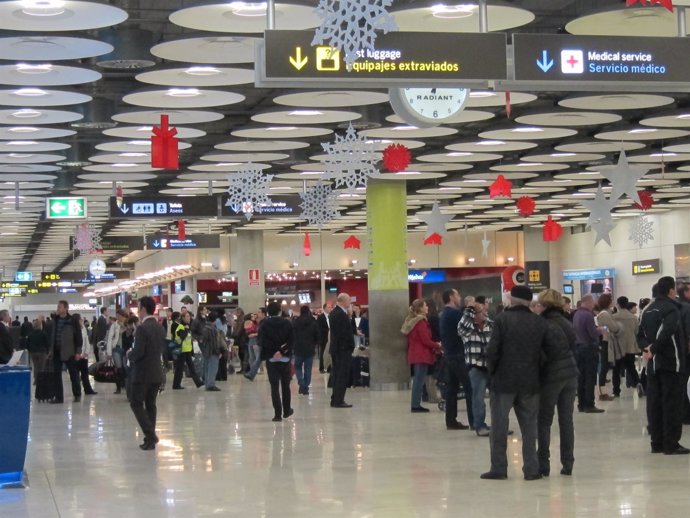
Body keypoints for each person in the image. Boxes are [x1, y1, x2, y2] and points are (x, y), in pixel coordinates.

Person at [481, 286, 554, 481]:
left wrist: (492, 372)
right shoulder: (539, 322)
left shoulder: (502, 320)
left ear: (512, 299)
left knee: (499, 426)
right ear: (529, 301)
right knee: (530, 428)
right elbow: (546, 353)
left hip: (503, 381)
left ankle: (499, 468)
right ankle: (531, 469)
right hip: (530, 382)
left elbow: (492, 350)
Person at [639, 276, 688, 455]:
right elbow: (667, 331)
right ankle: (671, 443)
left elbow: (640, 334)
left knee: (654, 402)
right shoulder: (672, 309)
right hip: (671, 362)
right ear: (670, 291)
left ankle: (656, 442)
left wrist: (646, 349)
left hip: (652, 364)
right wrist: (654, 348)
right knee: (672, 403)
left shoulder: (647, 310)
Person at [536, 289, 578, 477]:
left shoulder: (542, 324)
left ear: (544, 305)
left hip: (551, 375)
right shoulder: (567, 322)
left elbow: (541, 353)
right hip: (570, 372)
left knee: (544, 420)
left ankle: (543, 463)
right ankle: (568, 462)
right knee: (566, 420)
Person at [127, 296, 164, 451]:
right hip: (156, 372)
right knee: (150, 405)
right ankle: (149, 439)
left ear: (143, 309)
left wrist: (129, 353)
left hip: (142, 373)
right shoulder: (159, 327)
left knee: (136, 403)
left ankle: (150, 435)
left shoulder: (142, 328)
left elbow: (139, 352)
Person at [458, 296, 493, 435]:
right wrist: (470, 309)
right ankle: (479, 426)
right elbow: (462, 327)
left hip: (492, 367)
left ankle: (499, 426)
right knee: (478, 399)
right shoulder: (467, 328)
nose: (484, 313)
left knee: (498, 399)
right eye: (480, 312)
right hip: (476, 368)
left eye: (484, 311)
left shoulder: (492, 325)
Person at [439, 289, 473, 430]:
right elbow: (467, 326)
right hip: (459, 355)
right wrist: (471, 309)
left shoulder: (444, 314)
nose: (460, 297)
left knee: (452, 388)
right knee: (470, 388)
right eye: (458, 295)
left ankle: (451, 420)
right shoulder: (454, 314)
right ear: (452, 297)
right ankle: (475, 421)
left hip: (450, 355)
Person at [402, 299, 443, 413]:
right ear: (420, 308)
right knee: (419, 381)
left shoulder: (413, 321)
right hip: (421, 354)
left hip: (416, 353)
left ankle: (416, 404)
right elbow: (425, 340)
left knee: (418, 381)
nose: (427, 308)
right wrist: (437, 345)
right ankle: (415, 405)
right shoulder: (420, 322)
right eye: (425, 306)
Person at [260, 301, 295, 421]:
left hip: (271, 358)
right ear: (280, 310)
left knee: (274, 387)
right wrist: (281, 351)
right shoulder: (287, 323)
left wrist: (274, 351)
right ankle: (287, 410)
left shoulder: (264, 324)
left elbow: (263, 341)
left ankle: (277, 414)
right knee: (286, 385)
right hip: (285, 358)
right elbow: (291, 340)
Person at [572, 295, 605, 413]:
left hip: (579, 348)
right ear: (588, 302)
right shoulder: (588, 315)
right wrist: (600, 330)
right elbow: (592, 333)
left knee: (581, 377)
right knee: (590, 377)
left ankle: (581, 404)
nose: (593, 305)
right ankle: (589, 404)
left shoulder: (576, 314)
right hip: (589, 348)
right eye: (592, 303)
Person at [47, 301, 83, 404]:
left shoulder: (72, 321)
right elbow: (52, 336)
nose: (58, 309)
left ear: (66, 308)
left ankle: (77, 395)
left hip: (69, 352)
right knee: (56, 375)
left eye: (60, 307)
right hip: (57, 352)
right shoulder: (55, 320)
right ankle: (59, 397)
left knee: (73, 374)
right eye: (57, 307)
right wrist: (51, 350)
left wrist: (78, 352)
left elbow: (78, 337)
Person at [610, 296, 641, 397]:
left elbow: (612, 331)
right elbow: (636, 331)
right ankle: (638, 383)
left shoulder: (613, 317)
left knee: (616, 370)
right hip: (630, 346)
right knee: (631, 367)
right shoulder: (634, 317)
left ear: (618, 305)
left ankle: (616, 390)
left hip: (618, 347)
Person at [329, 293, 355, 408]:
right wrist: (349, 345)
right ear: (343, 301)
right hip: (342, 349)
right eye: (349, 300)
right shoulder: (340, 314)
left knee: (337, 374)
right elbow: (343, 333)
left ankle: (336, 398)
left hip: (337, 348)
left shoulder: (335, 313)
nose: (350, 303)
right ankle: (338, 400)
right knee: (341, 375)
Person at [594, 294, 621, 402]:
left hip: (607, 342)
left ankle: (603, 391)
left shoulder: (606, 313)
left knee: (605, 367)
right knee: (604, 367)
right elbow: (614, 327)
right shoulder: (605, 314)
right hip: (606, 342)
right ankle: (602, 392)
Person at [172, 311, 203, 390]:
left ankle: (198, 383)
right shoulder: (181, 327)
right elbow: (182, 337)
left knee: (191, 367)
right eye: (187, 316)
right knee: (180, 368)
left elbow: (189, 340)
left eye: (189, 316)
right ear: (182, 318)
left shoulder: (187, 326)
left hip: (187, 350)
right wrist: (186, 329)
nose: (189, 318)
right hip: (181, 351)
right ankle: (176, 385)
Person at [293, 305, 319, 395]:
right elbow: (317, 335)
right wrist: (314, 343)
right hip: (310, 349)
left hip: (298, 348)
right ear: (309, 312)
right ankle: (305, 386)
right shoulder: (313, 322)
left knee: (298, 367)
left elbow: (292, 335)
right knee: (308, 369)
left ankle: (302, 384)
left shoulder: (295, 322)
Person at [675, 282, 690, 424]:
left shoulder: (673, 307)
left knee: (680, 383)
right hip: (686, 352)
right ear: (685, 292)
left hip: (676, 352)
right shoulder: (687, 308)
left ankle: (682, 413)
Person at [105, 309, 129, 394]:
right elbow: (110, 339)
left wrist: (124, 326)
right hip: (116, 348)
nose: (119, 317)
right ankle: (118, 386)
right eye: (117, 316)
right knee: (118, 367)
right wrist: (109, 352)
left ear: (124, 316)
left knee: (125, 367)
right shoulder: (114, 325)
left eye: (120, 316)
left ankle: (126, 385)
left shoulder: (127, 325)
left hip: (126, 349)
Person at [74, 314, 97, 396]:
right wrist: (77, 354)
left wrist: (86, 353)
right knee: (76, 376)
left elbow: (87, 341)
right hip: (76, 356)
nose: (82, 321)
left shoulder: (83, 328)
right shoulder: (73, 330)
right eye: (80, 320)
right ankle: (77, 392)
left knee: (85, 374)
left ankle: (88, 390)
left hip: (84, 355)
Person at [200, 311, 222, 391]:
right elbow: (215, 342)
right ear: (215, 320)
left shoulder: (205, 328)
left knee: (207, 368)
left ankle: (207, 384)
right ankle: (211, 385)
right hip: (212, 351)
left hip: (206, 351)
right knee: (213, 368)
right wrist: (218, 351)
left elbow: (203, 341)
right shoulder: (213, 329)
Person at [245, 307, 267, 381]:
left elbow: (263, 333)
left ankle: (251, 373)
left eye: (259, 312)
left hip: (262, 343)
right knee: (256, 358)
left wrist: (255, 335)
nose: (257, 313)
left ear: (263, 313)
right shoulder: (259, 322)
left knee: (258, 358)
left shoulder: (265, 322)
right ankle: (251, 373)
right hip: (259, 342)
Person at [317, 302, 332, 373]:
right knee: (322, 353)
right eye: (329, 307)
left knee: (329, 353)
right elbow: (319, 328)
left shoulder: (332, 316)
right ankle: (321, 368)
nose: (330, 309)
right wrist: (328, 330)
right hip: (323, 338)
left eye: (331, 307)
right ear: (324, 308)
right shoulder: (320, 317)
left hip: (331, 338)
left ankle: (329, 367)